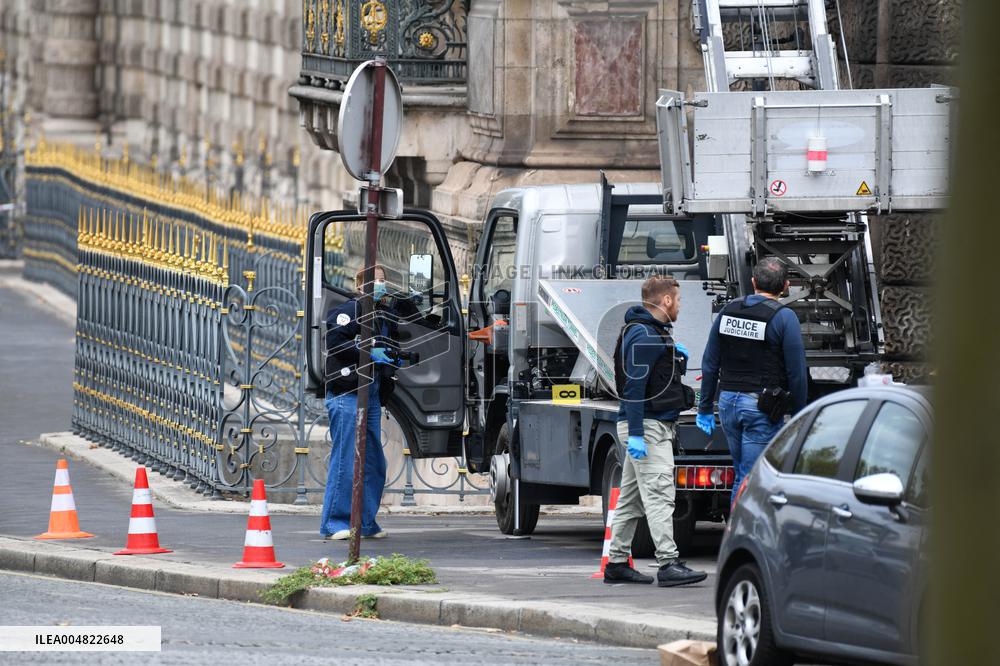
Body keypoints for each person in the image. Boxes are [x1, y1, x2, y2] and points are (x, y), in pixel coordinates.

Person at [604, 275, 708, 587]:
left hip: (645, 425)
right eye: (678, 300)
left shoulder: (649, 333)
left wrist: (676, 360)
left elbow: (655, 381)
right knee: (661, 495)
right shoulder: (645, 335)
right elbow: (634, 388)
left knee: (630, 500)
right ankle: (668, 563)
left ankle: (617, 563)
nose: (680, 306)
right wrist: (637, 433)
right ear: (666, 300)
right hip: (648, 428)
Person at [696, 257, 808, 503]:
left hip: (727, 403)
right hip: (760, 408)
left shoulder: (728, 311)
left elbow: (710, 363)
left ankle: (737, 524)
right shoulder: (784, 317)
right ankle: (742, 526)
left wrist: (704, 408)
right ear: (786, 286)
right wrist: (799, 415)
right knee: (752, 478)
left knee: (741, 474)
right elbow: (797, 373)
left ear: (753, 281)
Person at [320, 264, 401, 540]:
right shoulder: (348, 311)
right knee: (346, 460)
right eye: (374, 281)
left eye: (382, 280)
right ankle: (335, 523)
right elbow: (335, 342)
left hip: (372, 393)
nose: (380, 285)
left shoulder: (383, 315)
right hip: (348, 392)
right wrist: (367, 351)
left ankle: (365, 522)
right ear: (359, 286)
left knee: (373, 462)